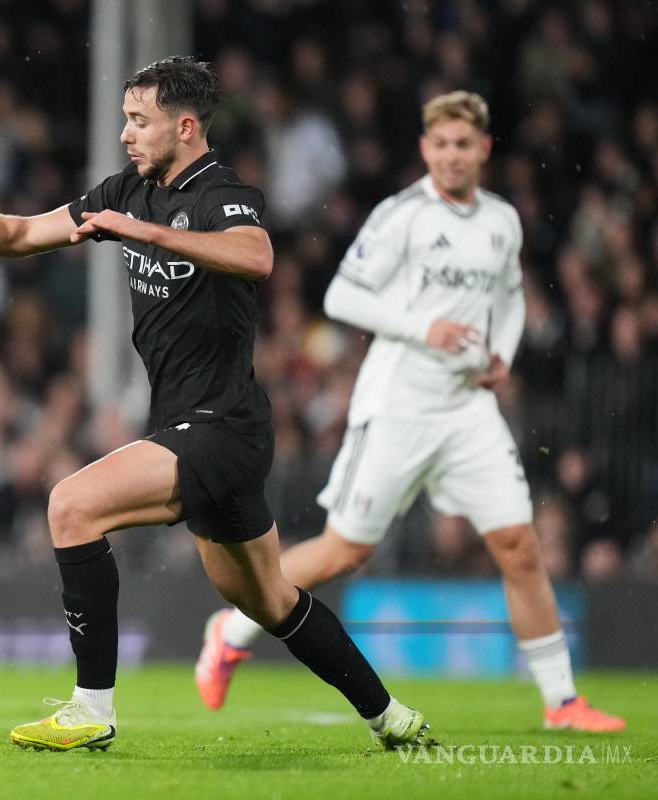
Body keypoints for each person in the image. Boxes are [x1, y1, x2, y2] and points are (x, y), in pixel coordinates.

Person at [0, 56, 428, 752]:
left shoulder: (221, 193)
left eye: (140, 121)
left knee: (71, 506)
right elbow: (22, 233)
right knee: (271, 601)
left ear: (186, 126)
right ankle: (391, 718)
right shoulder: (127, 190)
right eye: (125, 119)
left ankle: (91, 708)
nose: (126, 134)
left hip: (219, 427)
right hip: (196, 427)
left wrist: (146, 232)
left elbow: (255, 257)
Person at [193, 90, 625, 733]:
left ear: (484, 150)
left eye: (464, 145)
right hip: (397, 406)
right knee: (344, 551)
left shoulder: (502, 221)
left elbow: (509, 297)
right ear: (426, 149)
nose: (452, 155)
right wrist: (424, 328)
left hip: (468, 408)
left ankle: (563, 703)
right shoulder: (401, 216)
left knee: (519, 545)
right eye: (441, 144)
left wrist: (500, 353)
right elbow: (342, 295)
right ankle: (230, 626)